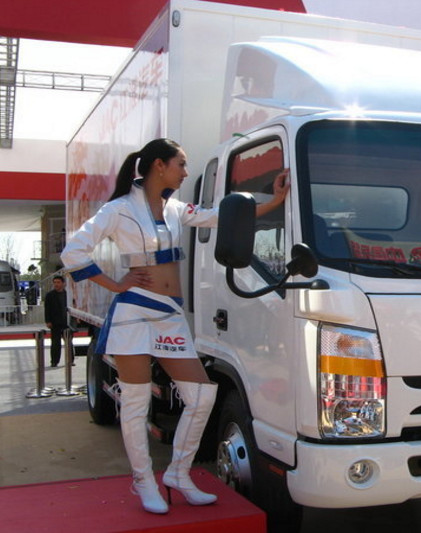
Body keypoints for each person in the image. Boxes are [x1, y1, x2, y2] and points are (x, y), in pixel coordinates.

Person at [60, 138, 289, 514]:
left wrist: (275, 202)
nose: (185, 171)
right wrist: (115, 284)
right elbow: (73, 252)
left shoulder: (176, 208)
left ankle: (178, 474)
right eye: (180, 164)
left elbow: (218, 216)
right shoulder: (118, 210)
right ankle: (143, 481)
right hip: (133, 313)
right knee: (135, 405)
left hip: (169, 313)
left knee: (201, 396)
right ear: (159, 166)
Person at [44, 275, 69, 367]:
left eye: (58, 282)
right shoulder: (50, 295)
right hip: (55, 323)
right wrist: (48, 321)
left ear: (63, 283)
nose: (56, 284)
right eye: (55, 282)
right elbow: (47, 309)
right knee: (55, 343)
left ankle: (70, 360)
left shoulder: (68, 294)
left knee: (69, 342)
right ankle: (54, 361)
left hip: (66, 322)